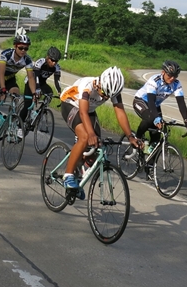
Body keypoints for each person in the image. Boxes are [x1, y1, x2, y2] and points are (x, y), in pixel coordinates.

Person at [58, 66, 141, 199]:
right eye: (103, 93)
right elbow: (82, 113)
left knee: (97, 148)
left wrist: (130, 136)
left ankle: (78, 171)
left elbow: (120, 112)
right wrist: (91, 134)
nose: (104, 96)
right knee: (85, 137)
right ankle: (68, 176)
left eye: (108, 96)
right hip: (71, 104)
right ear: (100, 82)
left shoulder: (113, 91)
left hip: (89, 110)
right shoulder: (88, 86)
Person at [0, 33, 38, 144]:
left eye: (26, 48)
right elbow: (1, 73)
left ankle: (10, 122)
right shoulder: (6, 54)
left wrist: (34, 93)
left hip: (10, 79)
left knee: (16, 97)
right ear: (15, 46)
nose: (23, 50)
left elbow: (31, 77)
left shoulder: (27, 60)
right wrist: (3, 88)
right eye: (21, 48)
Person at [131, 60, 187, 149]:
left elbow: (181, 103)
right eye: (170, 75)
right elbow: (151, 101)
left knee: (159, 131)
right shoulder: (154, 80)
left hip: (155, 105)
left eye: (175, 76)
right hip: (141, 101)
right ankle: (137, 138)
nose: (172, 78)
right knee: (150, 119)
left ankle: (150, 153)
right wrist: (156, 118)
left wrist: (186, 120)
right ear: (163, 72)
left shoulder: (176, 84)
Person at [20, 46, 63, 123]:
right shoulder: (40, 62)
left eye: (56, 61)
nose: (54, 63)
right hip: (31, 82)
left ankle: (38, 113)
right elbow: (35, 76)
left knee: (50, 93)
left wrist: (60, 92)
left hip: (42, 83)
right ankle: (19, 125)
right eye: (52, 60)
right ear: (48, 57)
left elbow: (57, 81)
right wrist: (37, 89)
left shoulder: (57, 67)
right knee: (28, 105)